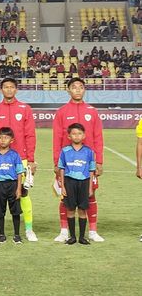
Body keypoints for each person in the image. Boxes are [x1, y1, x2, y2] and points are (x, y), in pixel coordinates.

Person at [0, 77, 38, 242]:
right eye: (5, 87)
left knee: (23, 194)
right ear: (1, 90)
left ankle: (28, 229)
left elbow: (30, 135)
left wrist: (31, 159)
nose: (8, 90)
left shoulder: (25, 109)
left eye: (11, 87)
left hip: (21, 159)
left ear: (16, 90)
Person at [52, 77, 104, 243]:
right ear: (68, 90)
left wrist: (99, 161)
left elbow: (98, 137)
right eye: (74, 87)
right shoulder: (62, 111)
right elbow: (57, 138)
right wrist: (56, 162)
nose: (77, 90)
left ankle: (92, 231)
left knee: (90, 194)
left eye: (81, 87)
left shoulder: (92, 111)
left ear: (84, 90)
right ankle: (64, 231)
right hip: (67, 165)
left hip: (87, 164)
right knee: (65, 195)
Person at [57, 123, 96, 245]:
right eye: (74, 134)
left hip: (84, 183)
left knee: (82, 210)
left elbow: (91, 170)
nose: (77, 136)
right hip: (69, 182)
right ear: (69, 136)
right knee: (70, 209)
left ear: (84, 135)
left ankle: (82, 237)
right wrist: (63, 186)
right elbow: (62, 168)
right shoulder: (65, 151)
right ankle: (72, 237)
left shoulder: (89, 151)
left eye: (79, 133)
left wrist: (90, 187)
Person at [0, 127, 24, 244]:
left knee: (16, 211)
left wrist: (18, 188)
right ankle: (1, 234)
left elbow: (19, 173)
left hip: (12, 185)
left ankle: (17, 235)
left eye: (6, 138)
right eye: (1, 138)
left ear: (11, 140)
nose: (3, 140)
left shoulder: (15, 155)